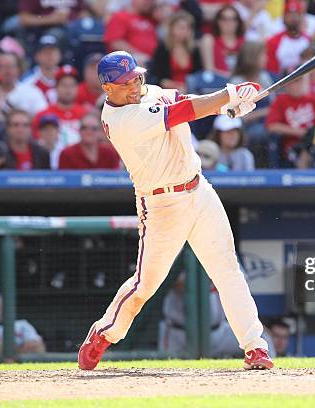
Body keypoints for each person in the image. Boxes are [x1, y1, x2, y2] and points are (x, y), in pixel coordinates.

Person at [77, 51, 273, 371]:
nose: (136, 85)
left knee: (227, 269)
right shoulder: (122, 119)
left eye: (137, 77)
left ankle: (254, 346)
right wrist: (231, 93)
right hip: (161, 204)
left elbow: (186, 98)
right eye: (126, 83)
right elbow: (185, 111)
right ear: (107, 88)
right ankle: (105, 331)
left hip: (199, 189)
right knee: (146, 285)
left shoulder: (148, 91)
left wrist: (229, 105)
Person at [159, 272, 240, 357]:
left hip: (220, 331)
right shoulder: (178, 263)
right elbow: (175, 283)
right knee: (169, 361)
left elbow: (239, 280)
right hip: (178, 332)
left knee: (248, 344)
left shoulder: (223, 261)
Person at [265, 75, 315, 166]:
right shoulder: (281, 100)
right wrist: (299, 132)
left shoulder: (313, 100)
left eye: (298, 81)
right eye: (292, 82)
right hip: (291, 144)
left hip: (314, 142)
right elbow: (271, 126)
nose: (295, 85)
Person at [147, 11, 202, 94]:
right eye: (181, 27)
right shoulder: (162, 49)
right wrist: (174, 86)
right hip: (168, 92)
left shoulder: (194, 50)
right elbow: (155, 77)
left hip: (192, 91)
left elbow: (199, 74)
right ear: (172, 28)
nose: (185, 31)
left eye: (188, 28)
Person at [33, 65, 88, 146]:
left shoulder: (85, 114)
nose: (68, 89)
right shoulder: (43, 115)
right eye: (64, 85)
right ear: (56, 87)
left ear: (77, 88)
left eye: (72, 85)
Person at [104, 0, 158, 67]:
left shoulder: (151, 18)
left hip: (152, 64)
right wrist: (137, 54)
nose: (148, 2)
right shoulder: (120, 16)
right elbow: (115, 42)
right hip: (127, 64)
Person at [265, 0, 310, 76]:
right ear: (283, 17)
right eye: (289, 14)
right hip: (280, 82)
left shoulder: (308, 40)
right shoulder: (273, 41)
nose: (293, 18)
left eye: (296, 14)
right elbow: (271, 72)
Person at [0, 52, 48, 117]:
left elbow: (43, 116)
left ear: (19, 69)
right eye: (4, 66)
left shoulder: (32, 92)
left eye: (11, 66)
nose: (8, 70)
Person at [199, 6, 245, 77]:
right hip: (217, 84)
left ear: (238, 22)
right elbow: (209, 70)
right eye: (224, 19)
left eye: (233, 19)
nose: (228, 22)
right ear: (218, 21)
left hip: (239, 83)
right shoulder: (209, 40)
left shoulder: (244, 42)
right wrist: (229, 76)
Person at [21, 35, 62, 104]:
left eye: (53, 51)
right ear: (37, 56)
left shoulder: (67, 78)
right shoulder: (28, 81)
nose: (50, 55)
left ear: (60, 55)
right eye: (45, 52)